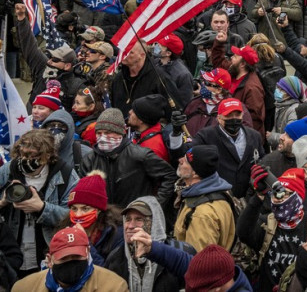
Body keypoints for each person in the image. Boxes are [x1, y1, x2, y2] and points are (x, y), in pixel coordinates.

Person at [0, 129, 74, 276]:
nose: (25, 159)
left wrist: (42, 208)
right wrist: (2, 202)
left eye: (31, 155)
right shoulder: (8, 170)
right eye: (21, 154)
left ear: (47, 155)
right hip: (14, 250)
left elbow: (73, 216)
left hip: (47, 250)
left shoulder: (64, 174)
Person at [81, 109, 176, 210]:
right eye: (99, 133)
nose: (103, 137)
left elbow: (169, 175)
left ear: (120, 133)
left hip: (134, 219)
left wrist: (153, 206)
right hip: (102, 220)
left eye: (108, 132)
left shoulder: (140, 155)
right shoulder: (89, 160)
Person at [105, 196, 190, 292]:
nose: (130, 226)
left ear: (155, 223)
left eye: (139, 219)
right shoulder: (115, 258)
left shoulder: (176, 256)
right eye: (128, 219)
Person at [12, 226, 129, 292]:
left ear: (88, 254)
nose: (71, 261)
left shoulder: (114, 287)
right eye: (64, 258)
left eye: (77, 256)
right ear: (50, 260)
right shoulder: (23, 288)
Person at [193, 98, 266, 198]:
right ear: (219, 118)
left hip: (249, 196)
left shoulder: (254, 135)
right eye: (229, 115)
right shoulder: (206, 136)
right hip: (220, 197)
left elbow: (261, 160)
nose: (234, 119)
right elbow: (189, 156)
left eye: (237, 115)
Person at [174, 145, 236, 251]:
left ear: (195, 173)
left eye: (185, 161)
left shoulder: (201, 215)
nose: (180, 160)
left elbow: (199, 262)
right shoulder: (220, 191)